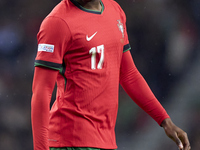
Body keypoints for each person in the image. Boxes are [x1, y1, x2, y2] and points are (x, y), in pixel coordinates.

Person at [31, 0, 191, 150]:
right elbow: (41, 93)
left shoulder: (115, 11)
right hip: (70, 139)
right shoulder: (57, 22)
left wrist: (164, 120)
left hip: (106, 140)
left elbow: (129, 74)